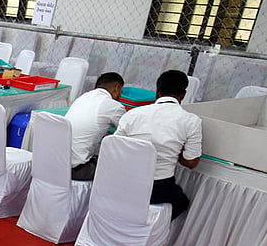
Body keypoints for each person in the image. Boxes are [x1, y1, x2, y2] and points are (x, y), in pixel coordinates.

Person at [114, 69, 202, 219]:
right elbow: (191, 162)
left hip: (124, 183)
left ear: (157, 91)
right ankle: (151, 230)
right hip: (158, 189)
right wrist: (175, 151)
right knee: (182, 202)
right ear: (183, 94)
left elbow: (115, 146)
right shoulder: (191, 121)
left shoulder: (132, 114)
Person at [64, 72, 126, 181]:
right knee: (121, 165)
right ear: (117, 88)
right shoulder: (113, 106)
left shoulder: (82, 97)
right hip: (79, 170)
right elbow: (127, 132)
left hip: (60, 164)